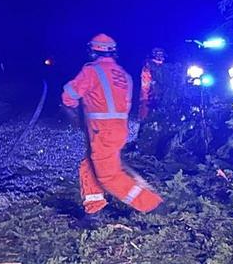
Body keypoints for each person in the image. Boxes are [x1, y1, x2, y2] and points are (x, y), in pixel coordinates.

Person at [62, 33, 163, 216]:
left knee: (109, 177)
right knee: (90, 164)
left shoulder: (92, 71)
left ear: (92, 52)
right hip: (118, 129)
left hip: (102, 131)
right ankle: (94, 208)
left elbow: (69, 95)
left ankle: (152, 205)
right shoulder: (124, 75)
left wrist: (72, 109)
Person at [138, 47, 167, 121]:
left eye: (161, 54)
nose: (160, 56)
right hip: (150, 96)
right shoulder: (149, 66)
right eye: (158, 54)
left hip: (163, 95)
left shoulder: (166, 67)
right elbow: (145, 82)